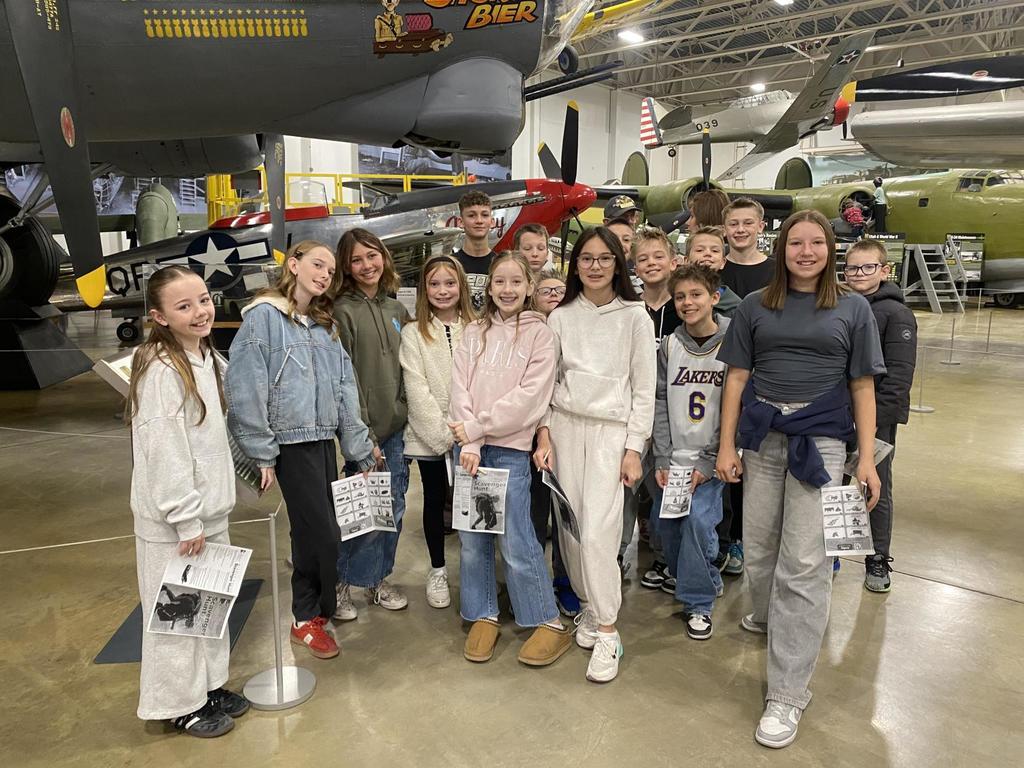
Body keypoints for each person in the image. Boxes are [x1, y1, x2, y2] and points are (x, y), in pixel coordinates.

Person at [715, 210, 885, 748]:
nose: (806, 252)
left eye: (816, 243)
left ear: (830, 250)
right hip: (763, 437)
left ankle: (788, 694)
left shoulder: (854, 309)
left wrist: (865, 461)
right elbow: (736, 378)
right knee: (761, 549)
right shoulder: (753, 306)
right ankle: (770, 618)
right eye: (796, 243)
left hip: (822, 442)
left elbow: (862, 385)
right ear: (781, 249)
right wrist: (726, 445)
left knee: (805, 563)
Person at [227, 241, 378, 661]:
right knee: (323, 535)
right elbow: (245, 387)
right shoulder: (263, 318)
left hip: (322, 441)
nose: (325, 274)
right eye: (317, 264)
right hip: (290, 446)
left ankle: (310, 613)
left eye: (331, 270)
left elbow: (346, 389)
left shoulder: (323, 325)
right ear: (292, 265)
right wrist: (261, 452)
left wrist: (359, 448)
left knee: (312, 532)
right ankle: (309, 614)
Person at [128, 265, 250, 737]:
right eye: (184, 306)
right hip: (177, 525)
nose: (200, 311)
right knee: (174, 617)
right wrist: (185, 519)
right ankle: (177, 703)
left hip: (210, 512)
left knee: (208, 608)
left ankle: (209, 685)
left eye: (203, 299)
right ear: (159, 316)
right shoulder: (160, 369)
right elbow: (165, 451)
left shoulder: (205, 356)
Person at [534, 227, 656, 683]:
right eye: (587, 258)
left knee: (602, 533)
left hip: (611, 434)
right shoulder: (561, 316)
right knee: (571, 530)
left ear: (617, 264)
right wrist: (544, 435)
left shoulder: (635, 317)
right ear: (575, 264)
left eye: (605, 258)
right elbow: (546, 385)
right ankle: (587, 606)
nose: (596, 266)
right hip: (566, 429)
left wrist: (633, 449)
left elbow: (644, 390)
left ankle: (608, 629)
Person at [448, 252, 571, 666]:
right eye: (499, 282)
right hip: (469, 449)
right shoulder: (472, 332)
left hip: (510, 449)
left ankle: (545, 618)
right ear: (489, 287)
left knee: (517, 537)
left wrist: (479, 429)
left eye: (516, 282)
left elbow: (531, 398)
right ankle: (482, 611)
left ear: (530, 286)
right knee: (472, 538)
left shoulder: (541, 334)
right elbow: (458, 387)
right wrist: (468, 441)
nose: (507, 290)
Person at [334, 228, 412, 618]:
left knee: (393, 509)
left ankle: (380, 580)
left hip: (398, 430)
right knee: (360, 513)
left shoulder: (396, 310)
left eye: (372, 256)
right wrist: (362, 436)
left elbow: (408, 370)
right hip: (364, 436)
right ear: (346, 267)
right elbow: (344, 378)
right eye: (357, 260)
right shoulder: (340, 311)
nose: (367, 266)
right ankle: (342, 582)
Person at [653, 265, 730, 640]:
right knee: (666, 525)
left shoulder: (734, 340)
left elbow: (737, 404)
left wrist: (713, 457)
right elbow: (660, 401)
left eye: (696, 294)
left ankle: (698, 602)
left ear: (714, 297)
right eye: (680, 296)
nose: (688, 302)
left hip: (712, 458)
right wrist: (662, 455)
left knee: (700, 523)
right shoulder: (669, 345)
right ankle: (706, 575)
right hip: (675, 457)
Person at [399, 255, 474, 608]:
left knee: (475, 502)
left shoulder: (478, 328)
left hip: (473, 433)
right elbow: (415, 387)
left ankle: (477, 570)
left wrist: (469, 429)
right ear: (423, 290)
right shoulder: (414, 332)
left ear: (461, 286)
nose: (442, 291)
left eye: (449, 283)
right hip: (430, 437)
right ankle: (438, 569)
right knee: (433, 501)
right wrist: (444, 435)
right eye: (434, 284)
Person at [843, 239, 917, 593]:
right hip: (838, 413)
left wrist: (871, 423)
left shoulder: (896, 314)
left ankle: (877, 557)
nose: (859, 274)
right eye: (853, 268)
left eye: (867, 267)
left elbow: (898, 376)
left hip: (876, 418)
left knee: (874, 486)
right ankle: (835, 550)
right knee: (837, 486)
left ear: (884, 270)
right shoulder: (842, 305)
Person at [717, 198, 777, 575]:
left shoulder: (776, 271)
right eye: (733, 224)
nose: (739, 230)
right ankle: (728, 538)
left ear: (761, 225)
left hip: (763, 379)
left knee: (760, 463)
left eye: (746, 223)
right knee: (725, 461)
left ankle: (755, 538)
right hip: (719, 377)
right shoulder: (714, 270)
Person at [625, 227, 679, 591]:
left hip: (674, 417)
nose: (651, 263)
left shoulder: (686, 304)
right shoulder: (628, 307)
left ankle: (665, 559)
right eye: (643, 258)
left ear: (673, 262)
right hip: (631, 412)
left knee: (664, 490)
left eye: (658, 256)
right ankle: (614, 553)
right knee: (625, 488)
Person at [529, 269, 580, 616]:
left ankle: (565, 581)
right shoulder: (525, 332)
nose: (553, 295)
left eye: (560, 290)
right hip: (523, 436)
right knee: (532, 515)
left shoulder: (575, 332)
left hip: (566, 432)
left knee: (565, 514)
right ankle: (532, 582)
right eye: (546, 289)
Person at [684, 225, 741, 317]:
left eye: (714, 251)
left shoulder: (736, 307)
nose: (707, 253)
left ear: (723, 262)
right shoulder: (676, 301)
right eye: (699, 250)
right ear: (686, 261)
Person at [454, 190, 497, 311]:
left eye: (484, 215)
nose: (479, 221)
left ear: (492, 222)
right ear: (461, 222)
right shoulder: (451, 264)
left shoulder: (500, 264)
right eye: (471, 215)